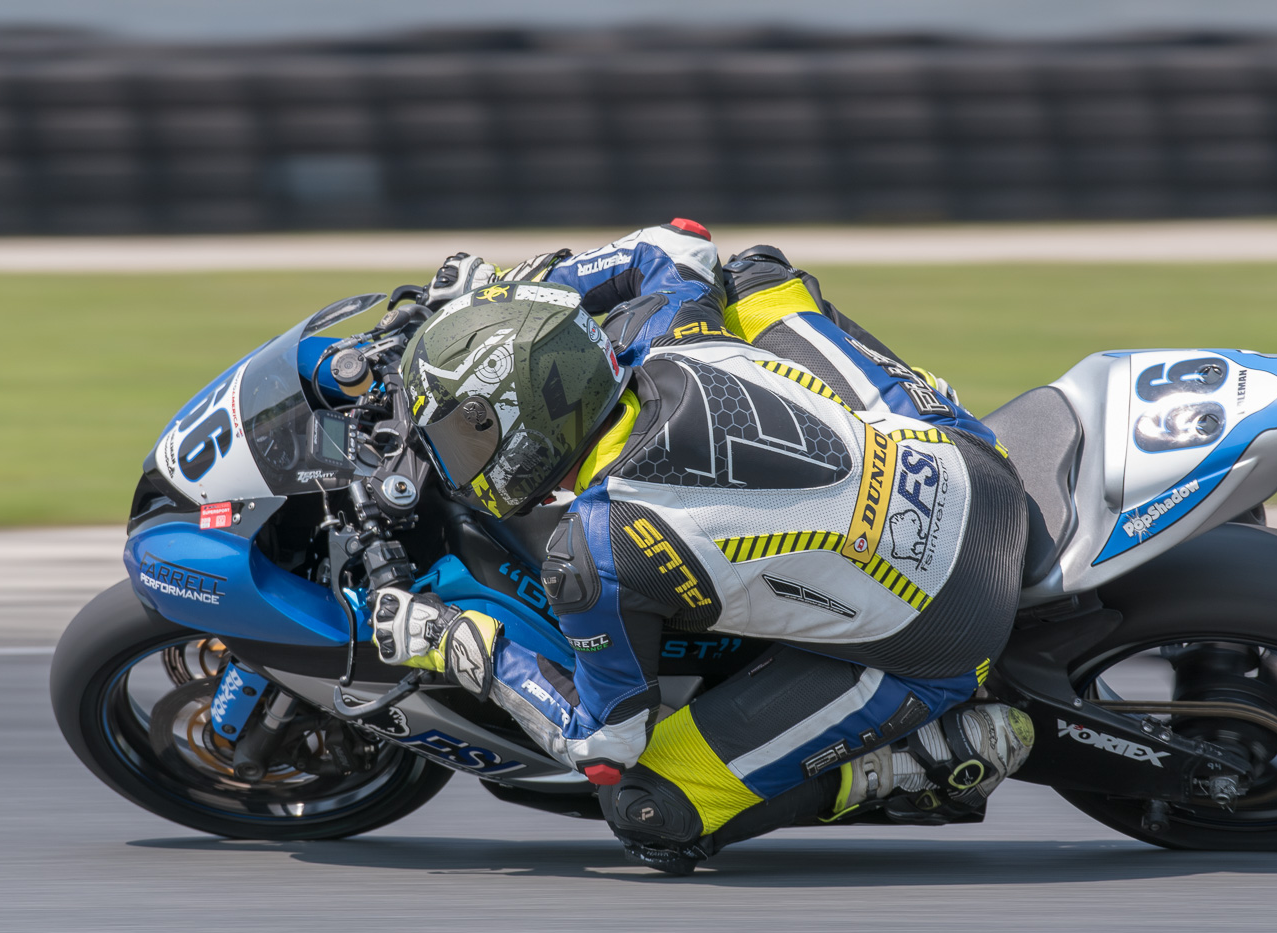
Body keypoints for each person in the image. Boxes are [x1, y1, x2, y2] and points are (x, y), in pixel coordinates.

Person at [370, 220, 1034, 873]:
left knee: (646, 807)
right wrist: (525, 291)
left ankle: (920, 761)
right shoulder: (664, 330)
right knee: (754, 276)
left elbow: (606, 743)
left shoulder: (595, 550)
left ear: (521, 424)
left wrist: (462, 643)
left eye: (465, 440)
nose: (459, 464)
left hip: (947, 629)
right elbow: (677, 241)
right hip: (973, 466)